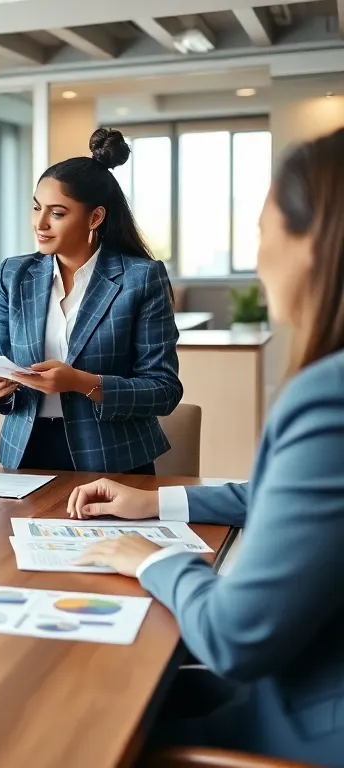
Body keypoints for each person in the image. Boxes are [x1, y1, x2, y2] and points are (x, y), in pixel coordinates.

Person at [68, 127, 344, 765]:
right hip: (301, 676)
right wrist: (156, 505)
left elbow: (235, 635)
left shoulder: (328, 396)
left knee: (81, 727)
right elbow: (286, 501)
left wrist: (149, 560)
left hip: (304, 727)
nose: (256, 259)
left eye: (261, 230)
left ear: (315, 242)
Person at [0, 128, 182, 473]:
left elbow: (163, 390)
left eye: (57, 213)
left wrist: (79, 382)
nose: (39, 223)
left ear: (95, 217)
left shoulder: (140, 278)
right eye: (36, 208)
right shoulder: (12, 275)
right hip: (25, 454)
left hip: (113, 458)